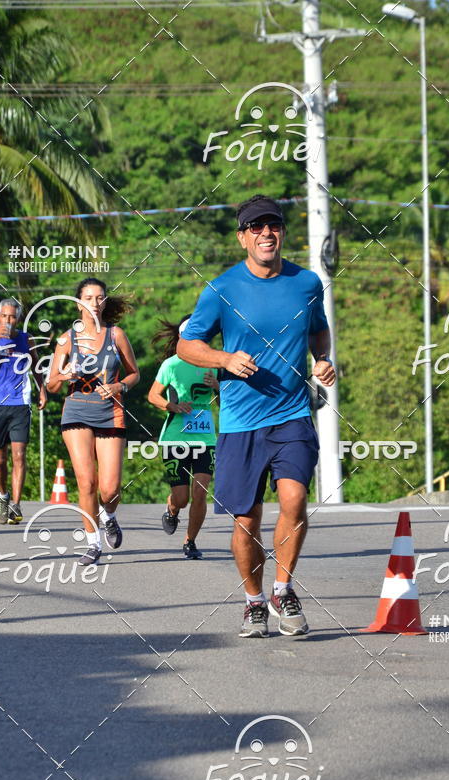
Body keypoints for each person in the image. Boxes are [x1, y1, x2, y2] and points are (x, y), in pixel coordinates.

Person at [178, 194, 336, 638]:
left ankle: (283, 588)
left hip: (291, 415)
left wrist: (322, 361)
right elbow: (186, 345)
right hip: (241, 422)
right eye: (256, 227)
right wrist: (225, 360)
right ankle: (253, 601)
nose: (266, 233)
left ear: (282, 232)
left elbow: (318, 334)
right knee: (246, 519)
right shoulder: (222, 289)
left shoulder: (306, 284)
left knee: (295, 500)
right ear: (242, 237)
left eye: (274, 225)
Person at [47, 278, 139, 566]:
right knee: (86, 482)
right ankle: (92, 542)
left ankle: (109, 515)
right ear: (78, 303)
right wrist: (64, 375)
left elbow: (134, 374)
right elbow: (50, 385)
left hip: (110, 411)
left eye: (100, 298)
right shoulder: (66, 339)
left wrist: (119, 386)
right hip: (76, 412)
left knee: (110, 489)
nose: (95, 303)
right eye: (89, 298)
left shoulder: (116, 335)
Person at [147, 315, 219, 560]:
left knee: (200, 492)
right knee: (182, 498)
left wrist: (218, 386)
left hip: (205, 439)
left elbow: (226, 403)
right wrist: (172, 406)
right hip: (175, 438)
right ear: (181, 338)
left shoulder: (213, 364)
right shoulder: (171, 365)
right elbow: (153, 395)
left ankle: (190, 541)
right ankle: (171, 508)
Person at [0, 299, 47, 524]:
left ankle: (16, 504)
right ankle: (3, 496)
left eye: (12, 316)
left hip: (21, 403)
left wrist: (42, 389)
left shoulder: (26, 339)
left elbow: (35, 365)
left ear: (18, 319)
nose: (8, 320)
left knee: (19, 454)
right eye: (4, 316)